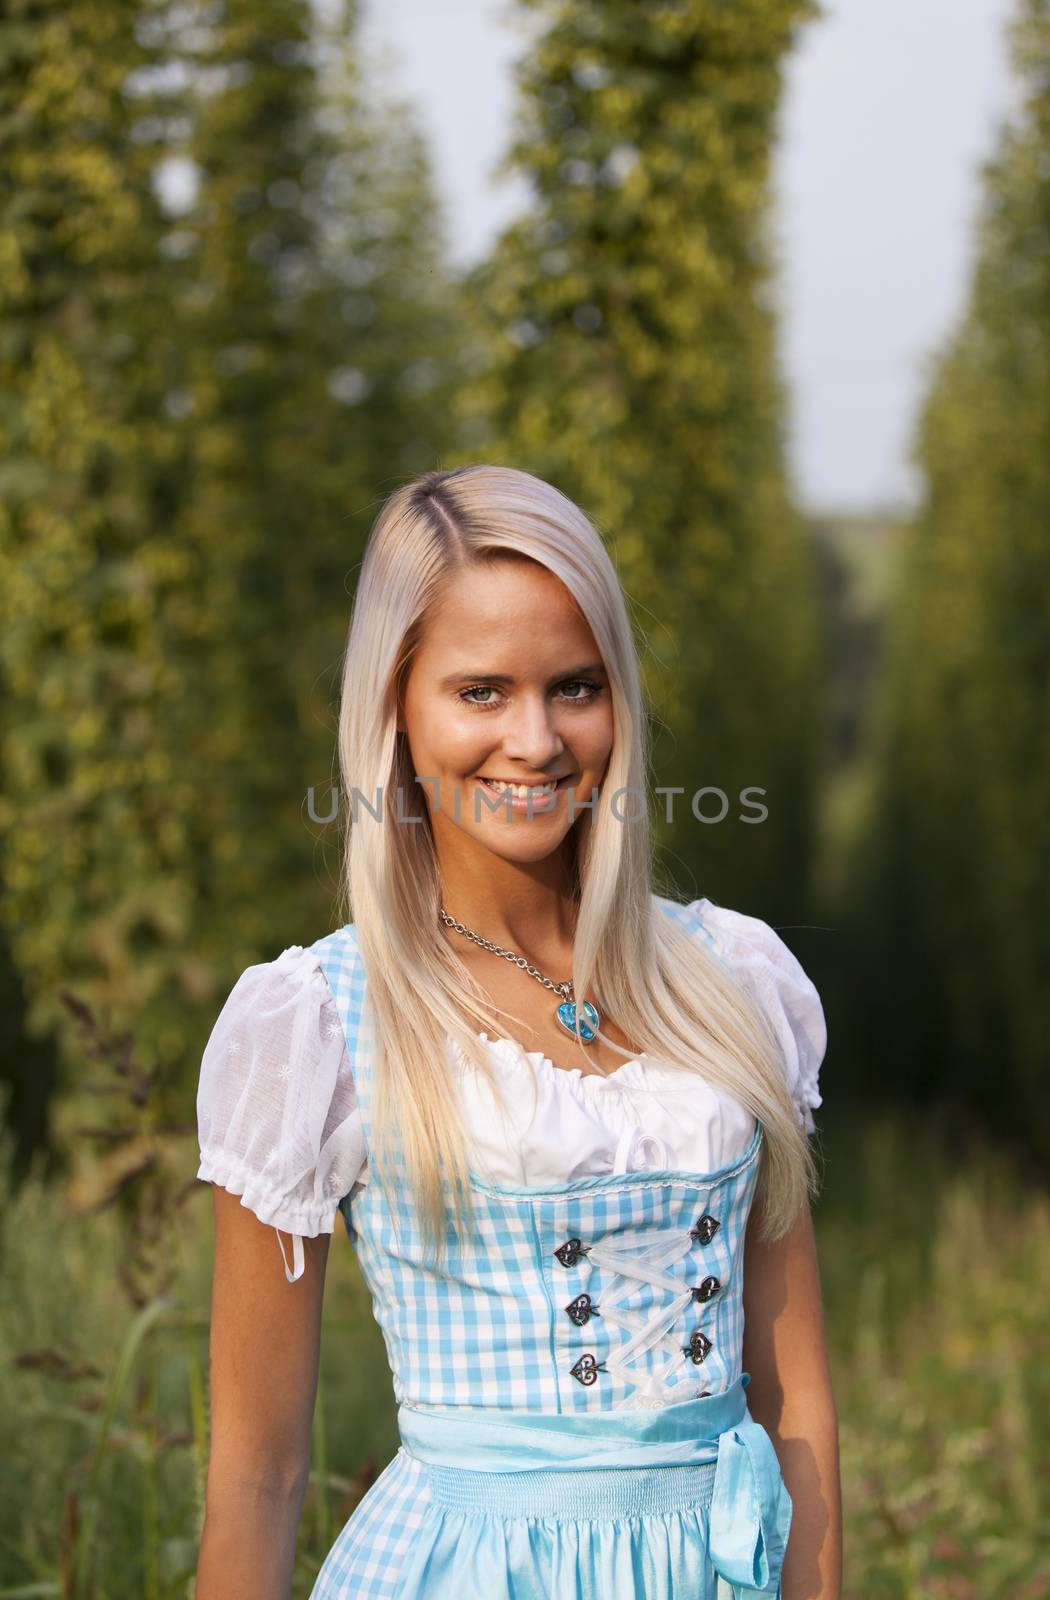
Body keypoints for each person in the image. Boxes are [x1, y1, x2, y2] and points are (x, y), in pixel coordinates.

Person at [193, 464, 842, 1600]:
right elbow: (257, 1471)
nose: (535, 740)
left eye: (575, 687)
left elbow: (796, 1403)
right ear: (396, 707)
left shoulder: (731, 979)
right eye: (480, 691)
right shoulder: (321, 1026)